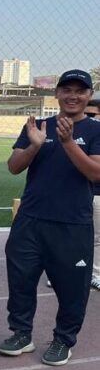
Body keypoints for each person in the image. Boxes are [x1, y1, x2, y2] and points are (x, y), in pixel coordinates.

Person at [0, 70, 99, 367]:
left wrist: (67, 142)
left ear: (88, 96)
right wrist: (35, 145)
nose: (73, 96)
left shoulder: (95, 130)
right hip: (30, 218)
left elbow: (95, 173)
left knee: (71, 286)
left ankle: (63, 340)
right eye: (66, 89)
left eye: (80, 91)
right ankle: (21, 334)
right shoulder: (38, 126)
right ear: (56, 93)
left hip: (72, 222)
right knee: (21, 279)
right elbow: (13, 167)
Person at [86, 99, 100, 291]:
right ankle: (59, 273)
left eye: (91, 115)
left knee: (97, 237)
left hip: (96, 193)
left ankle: (94, 273)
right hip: (85, 193)